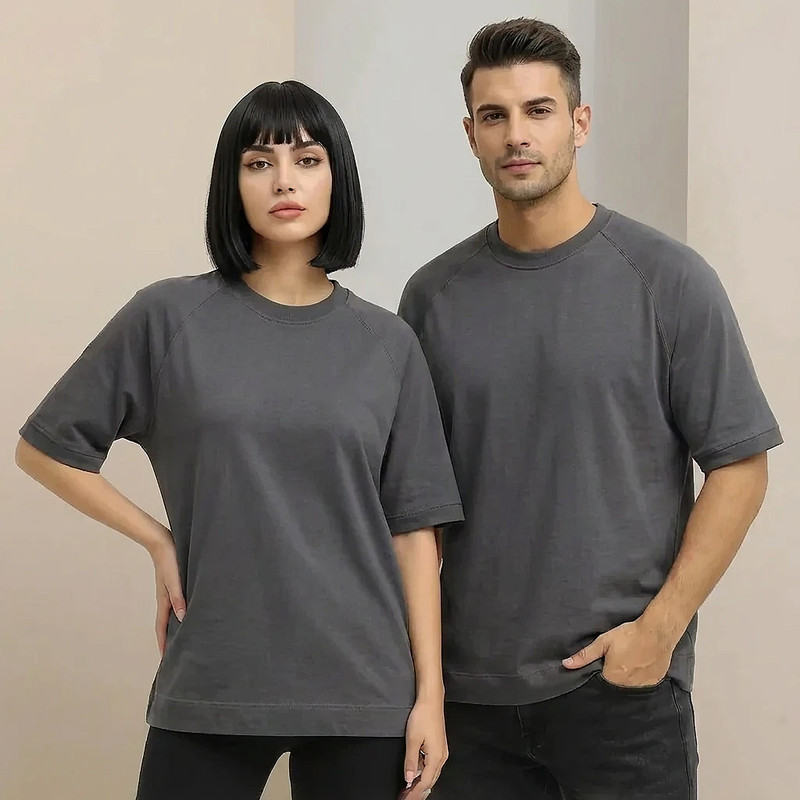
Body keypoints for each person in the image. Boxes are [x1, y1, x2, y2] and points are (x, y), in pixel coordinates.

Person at [15, 80, 463, 800]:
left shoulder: (387, 343)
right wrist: (159, 541)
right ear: (233, 183)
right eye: (259, 162)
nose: (284, 180)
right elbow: (44, 447)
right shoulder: (168, 318)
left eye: (307, 160)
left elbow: (415, 535)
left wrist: (430, 699)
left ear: (337, 179)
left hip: (364, 685)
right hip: (216, 671)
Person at [398, 18, 782, 800]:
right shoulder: (432, 298)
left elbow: (741, 467)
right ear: (470, 135)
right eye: (495, 115)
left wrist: (660, 631)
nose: (517, 134)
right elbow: (413, 508)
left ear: (579, 122)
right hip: (469, 704)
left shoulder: (667, 280)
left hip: (622, 695)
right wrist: (425, 681)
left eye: (539, 110)